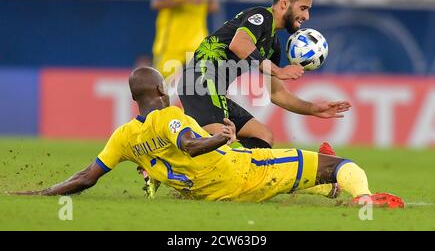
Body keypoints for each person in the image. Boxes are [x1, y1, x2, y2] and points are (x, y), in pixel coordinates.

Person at [8, 67, 404, 208]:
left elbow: (86, 178)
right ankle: (362, 196)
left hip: (209, 194)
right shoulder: (168, 116)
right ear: (161, 93)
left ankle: (325, 190)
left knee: (287, 183)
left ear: (133, 99)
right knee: (340, 166)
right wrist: (222, 138)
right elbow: (190, 144)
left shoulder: (124, 136)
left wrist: (40, 195)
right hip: (239, 171)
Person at [177, 0, 351, 149]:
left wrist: (313, 109)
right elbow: (239, 44)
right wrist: (278, 70)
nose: (306, 16)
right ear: (284, 3)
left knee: (263, 136)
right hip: (200, 80)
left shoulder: (273, 44)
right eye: (303, 8)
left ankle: (247, 174)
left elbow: (277, 94)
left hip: (213, 89)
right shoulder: (261, 16)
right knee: (220, 144)